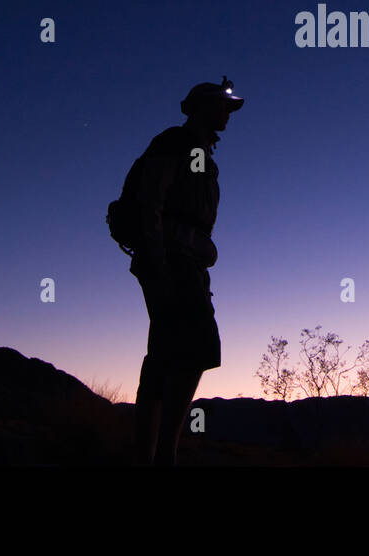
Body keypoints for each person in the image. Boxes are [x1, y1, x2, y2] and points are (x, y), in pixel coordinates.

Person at [124, 76, 243, 466]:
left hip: (184, 260)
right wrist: (156, 259)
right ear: (202, 107)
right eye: (222, 106)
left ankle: (155, 454)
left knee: (167, 354)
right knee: (195, 347)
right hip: (170, 260)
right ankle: (163, 454)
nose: (228, 113)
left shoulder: (202, 155)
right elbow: (150, 199)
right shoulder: (175, 142)